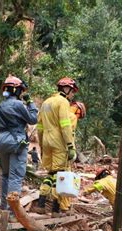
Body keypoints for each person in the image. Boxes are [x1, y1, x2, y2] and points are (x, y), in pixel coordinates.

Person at [36, 77, 78, 217]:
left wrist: (42, 145)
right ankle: (55, 210)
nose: (72, 95)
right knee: (59, 175)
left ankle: (41, 204)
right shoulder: (63, 102)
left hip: (46, 141)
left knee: (50, 174)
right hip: (59, 142)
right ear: (67, 89)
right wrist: (70, 146)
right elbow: (65, 126)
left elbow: (40, 127)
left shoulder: (46, 103)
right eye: (72, 92)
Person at [0, 75, 38, 212]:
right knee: (16, 176)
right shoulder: (19, 105)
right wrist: (30, 103)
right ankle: (12, 210)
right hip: (17, 141)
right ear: (17, 90)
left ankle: (3, 207)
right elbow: (33, 119)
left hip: (2, 140)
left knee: (6, 175)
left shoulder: (0, 106)